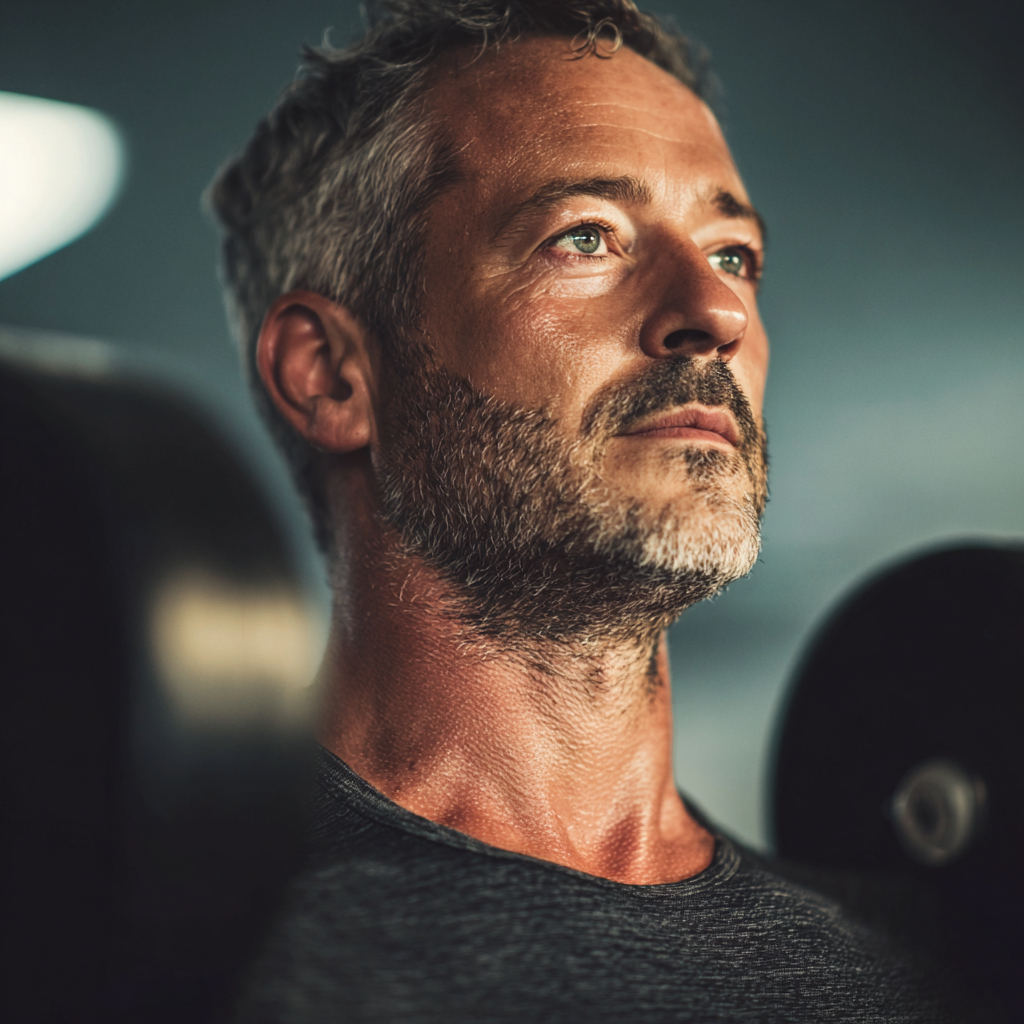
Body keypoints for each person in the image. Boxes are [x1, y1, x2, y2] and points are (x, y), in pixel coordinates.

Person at [208, 2, 975, 1020]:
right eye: (585, 237)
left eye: (733, 253)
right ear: (332, 375)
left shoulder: (941, 963)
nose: (717, 312)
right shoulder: (145, 937)